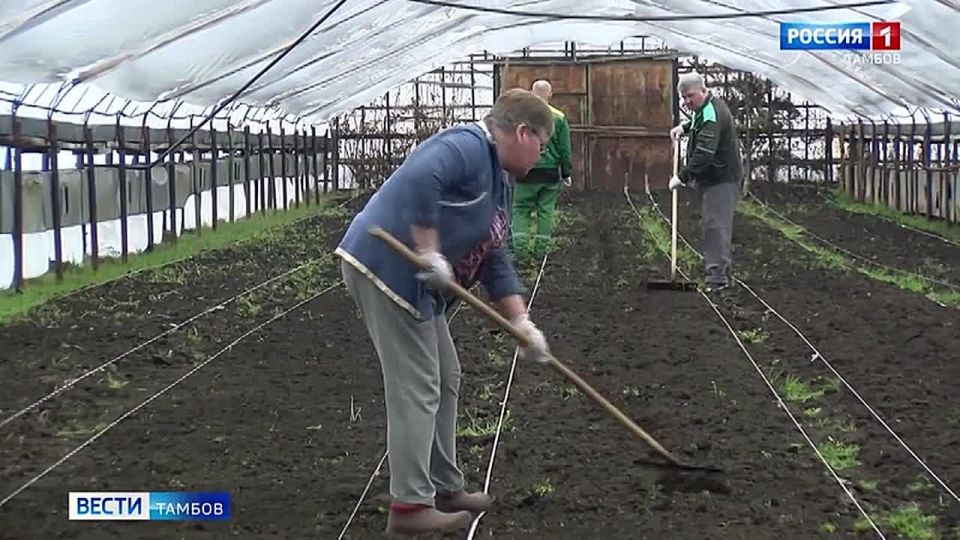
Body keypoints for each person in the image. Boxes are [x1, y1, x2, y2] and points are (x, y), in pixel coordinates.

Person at [334, 88, 554, 537]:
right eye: (543, 144)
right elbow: (421, 176)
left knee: (446, 376)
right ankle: (410, 508)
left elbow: (495, 257)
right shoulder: (468, 145)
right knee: (418, 384)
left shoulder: (501, 182)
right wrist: (430, 250)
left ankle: (443, 486)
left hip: (416, 285)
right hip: (386, 266)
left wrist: (521, 322)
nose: (543, 154)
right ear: (522, 131)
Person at [668, 71, 744, 291]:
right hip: (713, 177)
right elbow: (698, 120)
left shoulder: (712, 113)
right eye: (683, 98)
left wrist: (682, 177)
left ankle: (718, 279)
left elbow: (704, 153)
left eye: (690, 96)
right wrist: (685, 127)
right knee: (713, 224)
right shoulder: (705, 109)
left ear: (703, 90)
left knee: (715, 226)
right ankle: (720, 274)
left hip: (721, 178)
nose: (687, 101)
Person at [510, 79, 573, 260]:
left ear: (530, 92)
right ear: (550, 95)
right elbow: (564, 149)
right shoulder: (559, 117)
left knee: (521, 209)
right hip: (550, 173)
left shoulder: (520, 117)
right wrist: (566, 172)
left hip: (525, 170)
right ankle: (541, 252)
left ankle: (520, 252)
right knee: (546, 211)